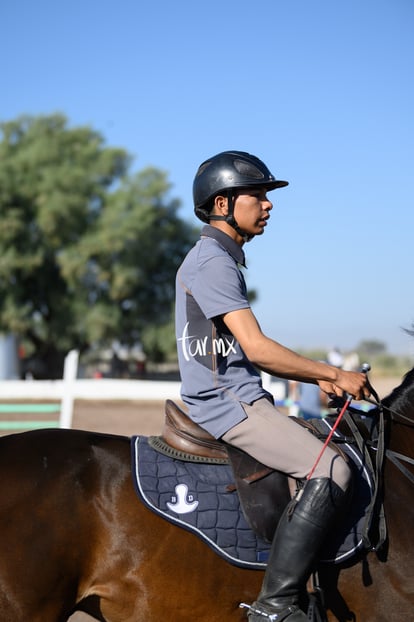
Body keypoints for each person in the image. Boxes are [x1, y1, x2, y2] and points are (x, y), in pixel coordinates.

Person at [175, 151, 370, 621]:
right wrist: (332, 373)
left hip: (240, 397)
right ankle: (276, 605)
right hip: (227, 404)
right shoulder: (212, 263)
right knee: (331, 469)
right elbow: (257, 349)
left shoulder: (220, 259)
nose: (268, 205)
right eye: (257, 195)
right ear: (223, 203)